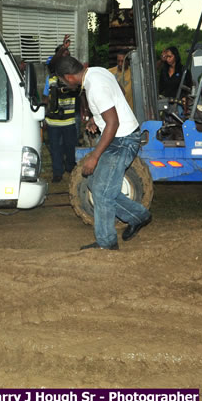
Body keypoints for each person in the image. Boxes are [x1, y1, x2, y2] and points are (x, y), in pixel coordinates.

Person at [54, 55, 152, 251]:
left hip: (122, 140)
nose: (64, 85)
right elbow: (118, 92)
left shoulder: (94, 88)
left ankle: (107, 243)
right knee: (94, 183)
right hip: (119, 137)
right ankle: (139, 216)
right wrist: (97, 118)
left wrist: (94, 156)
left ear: (69, 77)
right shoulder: (97, 71)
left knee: (102, 193)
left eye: (63, 81)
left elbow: (113, 123)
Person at [43, 50, 78, 182]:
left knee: (70, 147)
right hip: (53, 121)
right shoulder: (50, 79)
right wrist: (43, 113)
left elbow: (79, 93)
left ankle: (70, 168)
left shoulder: (71, 79)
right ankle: (57, 172)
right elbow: (45, 97)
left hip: (69, 120)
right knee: (55, 148)